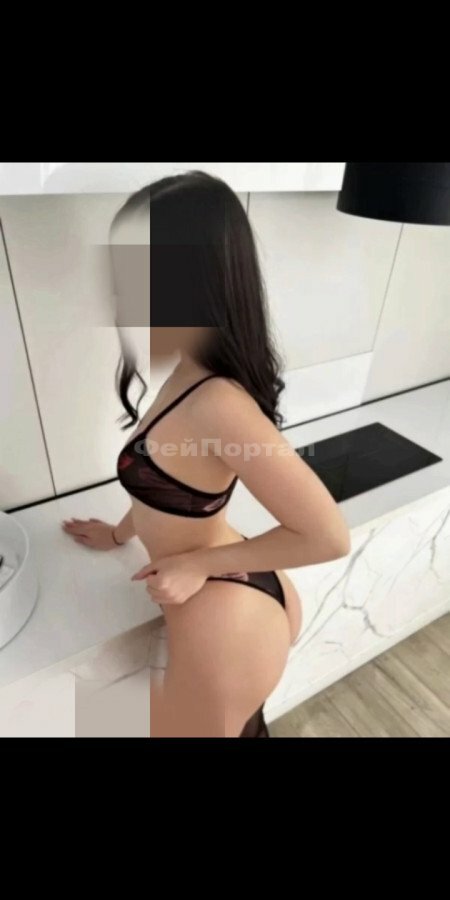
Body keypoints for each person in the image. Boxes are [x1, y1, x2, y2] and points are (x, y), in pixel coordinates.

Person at [62, 171, 351, 737]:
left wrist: (194, 565)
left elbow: (329, 536)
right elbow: (167, 489)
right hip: (230, 593)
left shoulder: (218, 402)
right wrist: (119, 534)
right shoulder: (189, 373)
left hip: (223, 613)